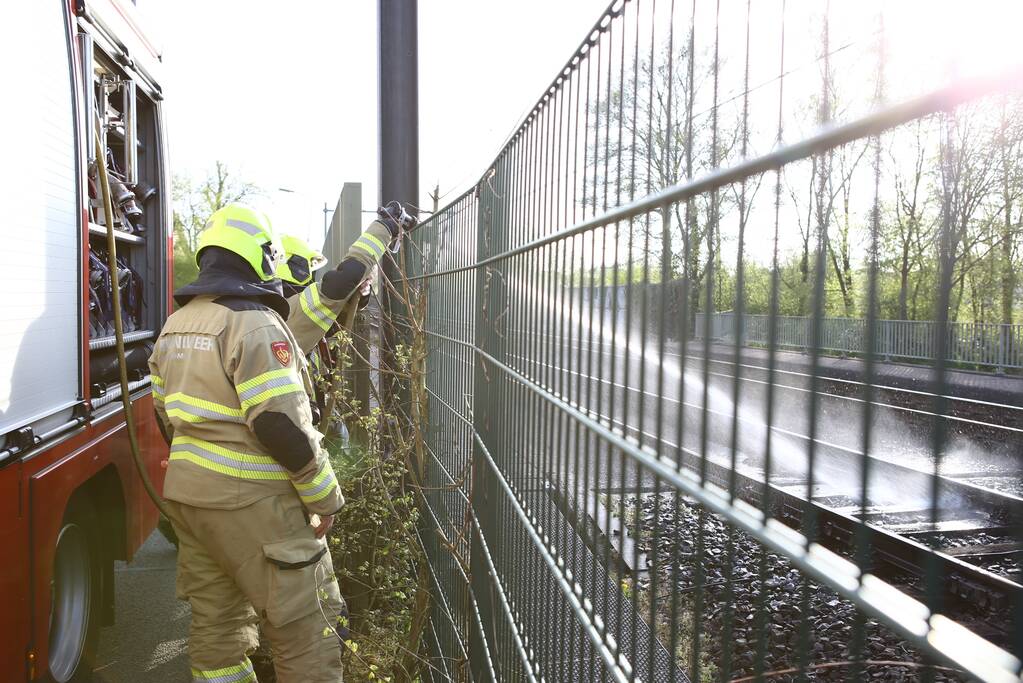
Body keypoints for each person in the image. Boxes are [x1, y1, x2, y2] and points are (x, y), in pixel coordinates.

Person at [148, 202, 403, 682]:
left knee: (217, 626)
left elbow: (164, 415)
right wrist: (325, 496)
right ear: (262, 258)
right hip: (253, 502)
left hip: (188, 498)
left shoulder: (175, 326)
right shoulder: (256, 323)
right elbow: (278, 425)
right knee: (309, 629)